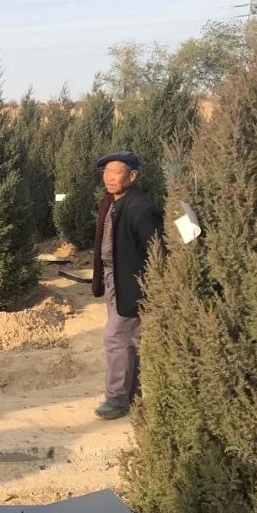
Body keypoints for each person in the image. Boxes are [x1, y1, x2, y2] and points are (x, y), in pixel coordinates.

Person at [91, 150, 164, 420]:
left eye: (116, 172)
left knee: (115, 337)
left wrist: (147, 285)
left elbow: (157, 250)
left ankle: (117, 399)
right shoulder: (110, 202)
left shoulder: (140, 208)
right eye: (106, 173)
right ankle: (131, 395)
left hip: (131, 281)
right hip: (113, 277)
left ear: (132, 176)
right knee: (129, 339)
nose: (109, 178)